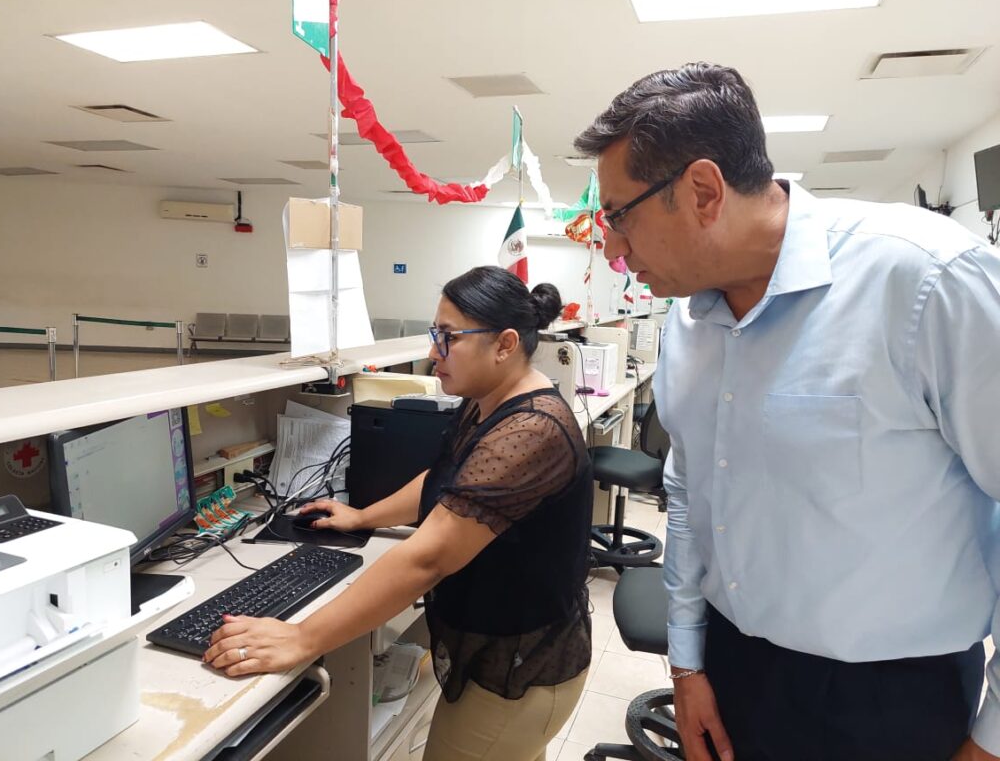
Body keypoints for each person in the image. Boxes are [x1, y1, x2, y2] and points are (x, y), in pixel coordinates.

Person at [574, 62, 1000, 761]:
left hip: (888, 700)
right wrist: (688, 663)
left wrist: (993, 738)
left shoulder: (926, 281)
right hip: (734, 666)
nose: (612, 248)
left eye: (619, 216)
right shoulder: (689, 322)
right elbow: (689, 493)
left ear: (703, 191)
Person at [203, 266, 593, 761]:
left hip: (518, 672)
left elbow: (426, 560)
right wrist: (363, 517)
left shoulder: (530, 431)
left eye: (448, 337)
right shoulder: (488, 402)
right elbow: (445, 480)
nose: (434, 352)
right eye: (435, 334)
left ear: (505, 344)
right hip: (506, 654)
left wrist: (303, 638)